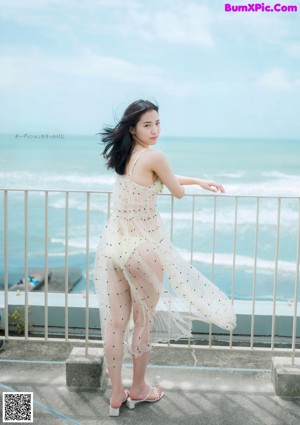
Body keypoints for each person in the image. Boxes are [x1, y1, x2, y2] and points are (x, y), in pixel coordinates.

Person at [94, 99, 236, 417]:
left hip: (113, 245)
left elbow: (158, 175)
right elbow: (175, 189)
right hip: (143, 248)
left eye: (158, 122)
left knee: (115, 325)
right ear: (133, 127)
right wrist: (192, 184)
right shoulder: (154, 155)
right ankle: (140, 388)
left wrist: (197, 178)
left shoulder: (125, 155)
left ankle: (117, 394)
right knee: (143, 321)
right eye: (147, 125)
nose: (155, 130)